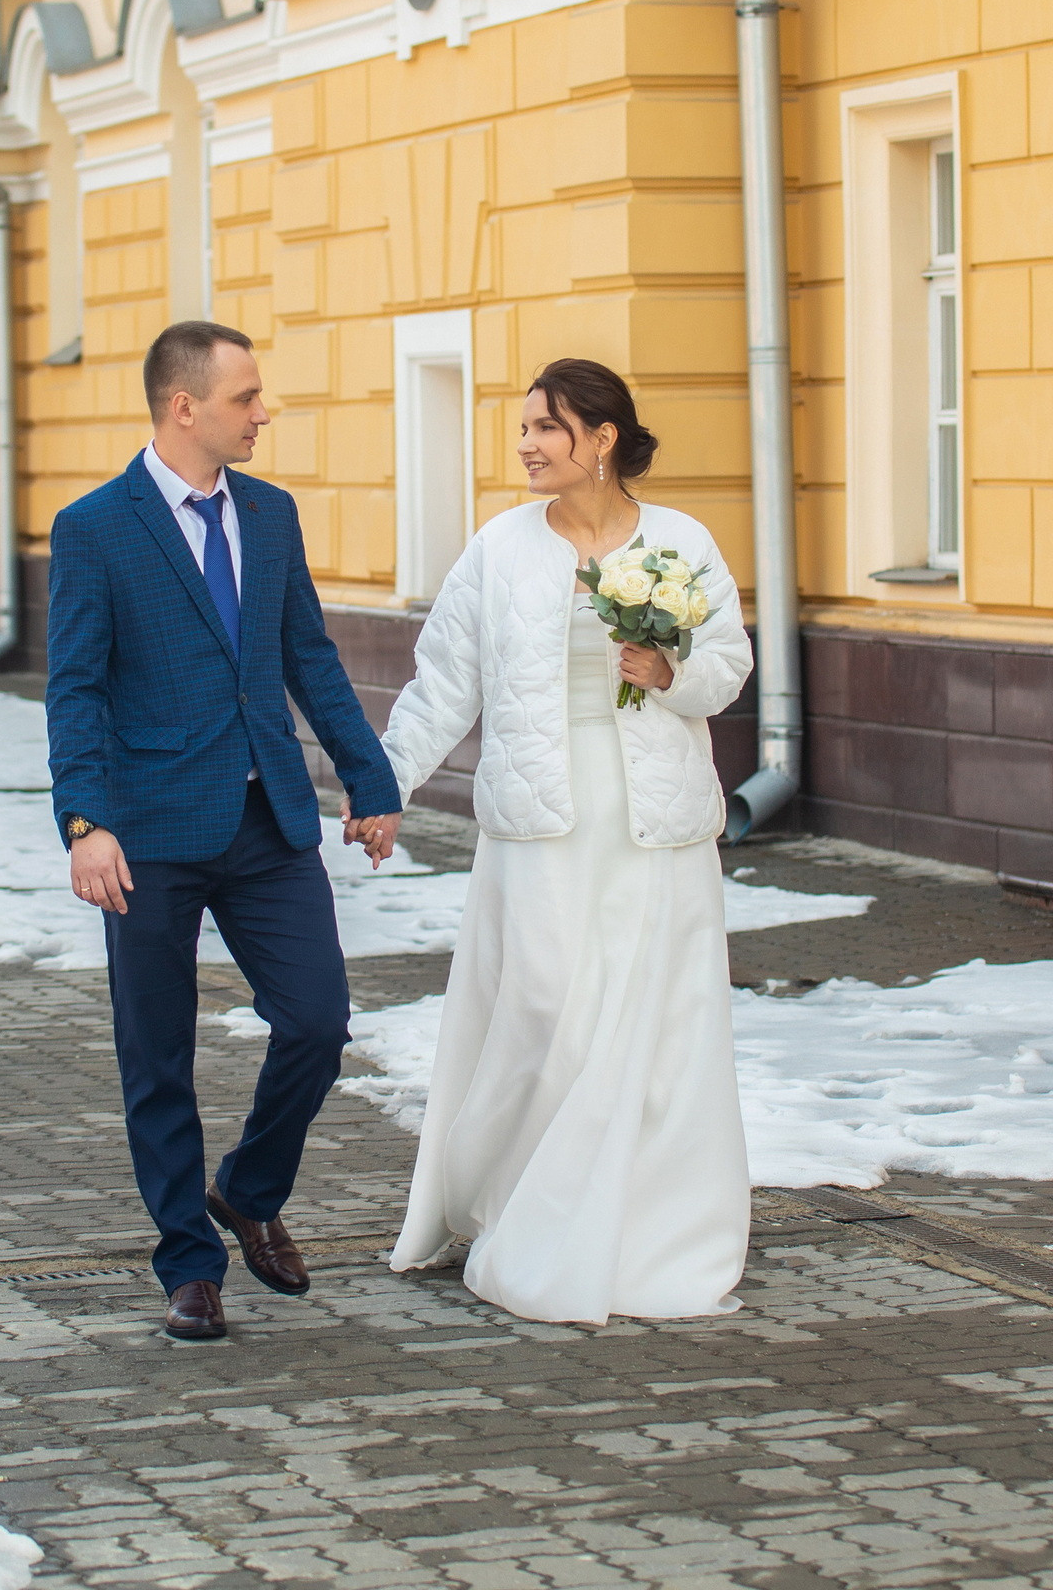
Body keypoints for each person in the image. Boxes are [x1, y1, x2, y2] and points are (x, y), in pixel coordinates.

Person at [47, 321, 403, 1342]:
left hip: (266, 821)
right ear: (183, 407)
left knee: (316, 1020)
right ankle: (187, 1266)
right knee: (155, 1055)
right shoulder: (95, 529)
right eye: (246, 397)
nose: (263, 412)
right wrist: (84, 822)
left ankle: (247, 1189)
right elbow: (72, 692)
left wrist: (368, 778)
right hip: (147, 832)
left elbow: (308, 656)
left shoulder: (271, 514)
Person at [380, 359, 753, 1325]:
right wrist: (386, 781)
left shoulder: (682, 541)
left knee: (654, 1030)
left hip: (655, 819)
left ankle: (647, 1232)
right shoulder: (500, 550)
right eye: (526, 428)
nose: (528, 445)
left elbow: (728, 663)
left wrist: (668, 668)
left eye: (548, 428)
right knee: (546, 1010)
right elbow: (444, 682)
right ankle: (512, 1201)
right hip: (540, 819)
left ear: (603, 438)